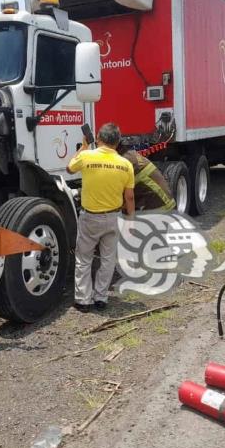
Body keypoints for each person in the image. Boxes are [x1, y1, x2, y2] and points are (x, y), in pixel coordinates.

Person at [67, 123, 135, 312]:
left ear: (98, 138)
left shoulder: (87, 156)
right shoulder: (125, 164)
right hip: (113, 217)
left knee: (84, 258)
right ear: (118, 141)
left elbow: (70, 169)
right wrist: (130, 221)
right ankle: (101, 298)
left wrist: (83, 146)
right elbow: (129, 197)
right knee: (108, 259)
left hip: (90, 217)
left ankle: (83, 300)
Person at [117, 143, 175, 212]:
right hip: (164, 204)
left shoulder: (122, 162)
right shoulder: (130, 154)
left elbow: (128, 198)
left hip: (159, 208)